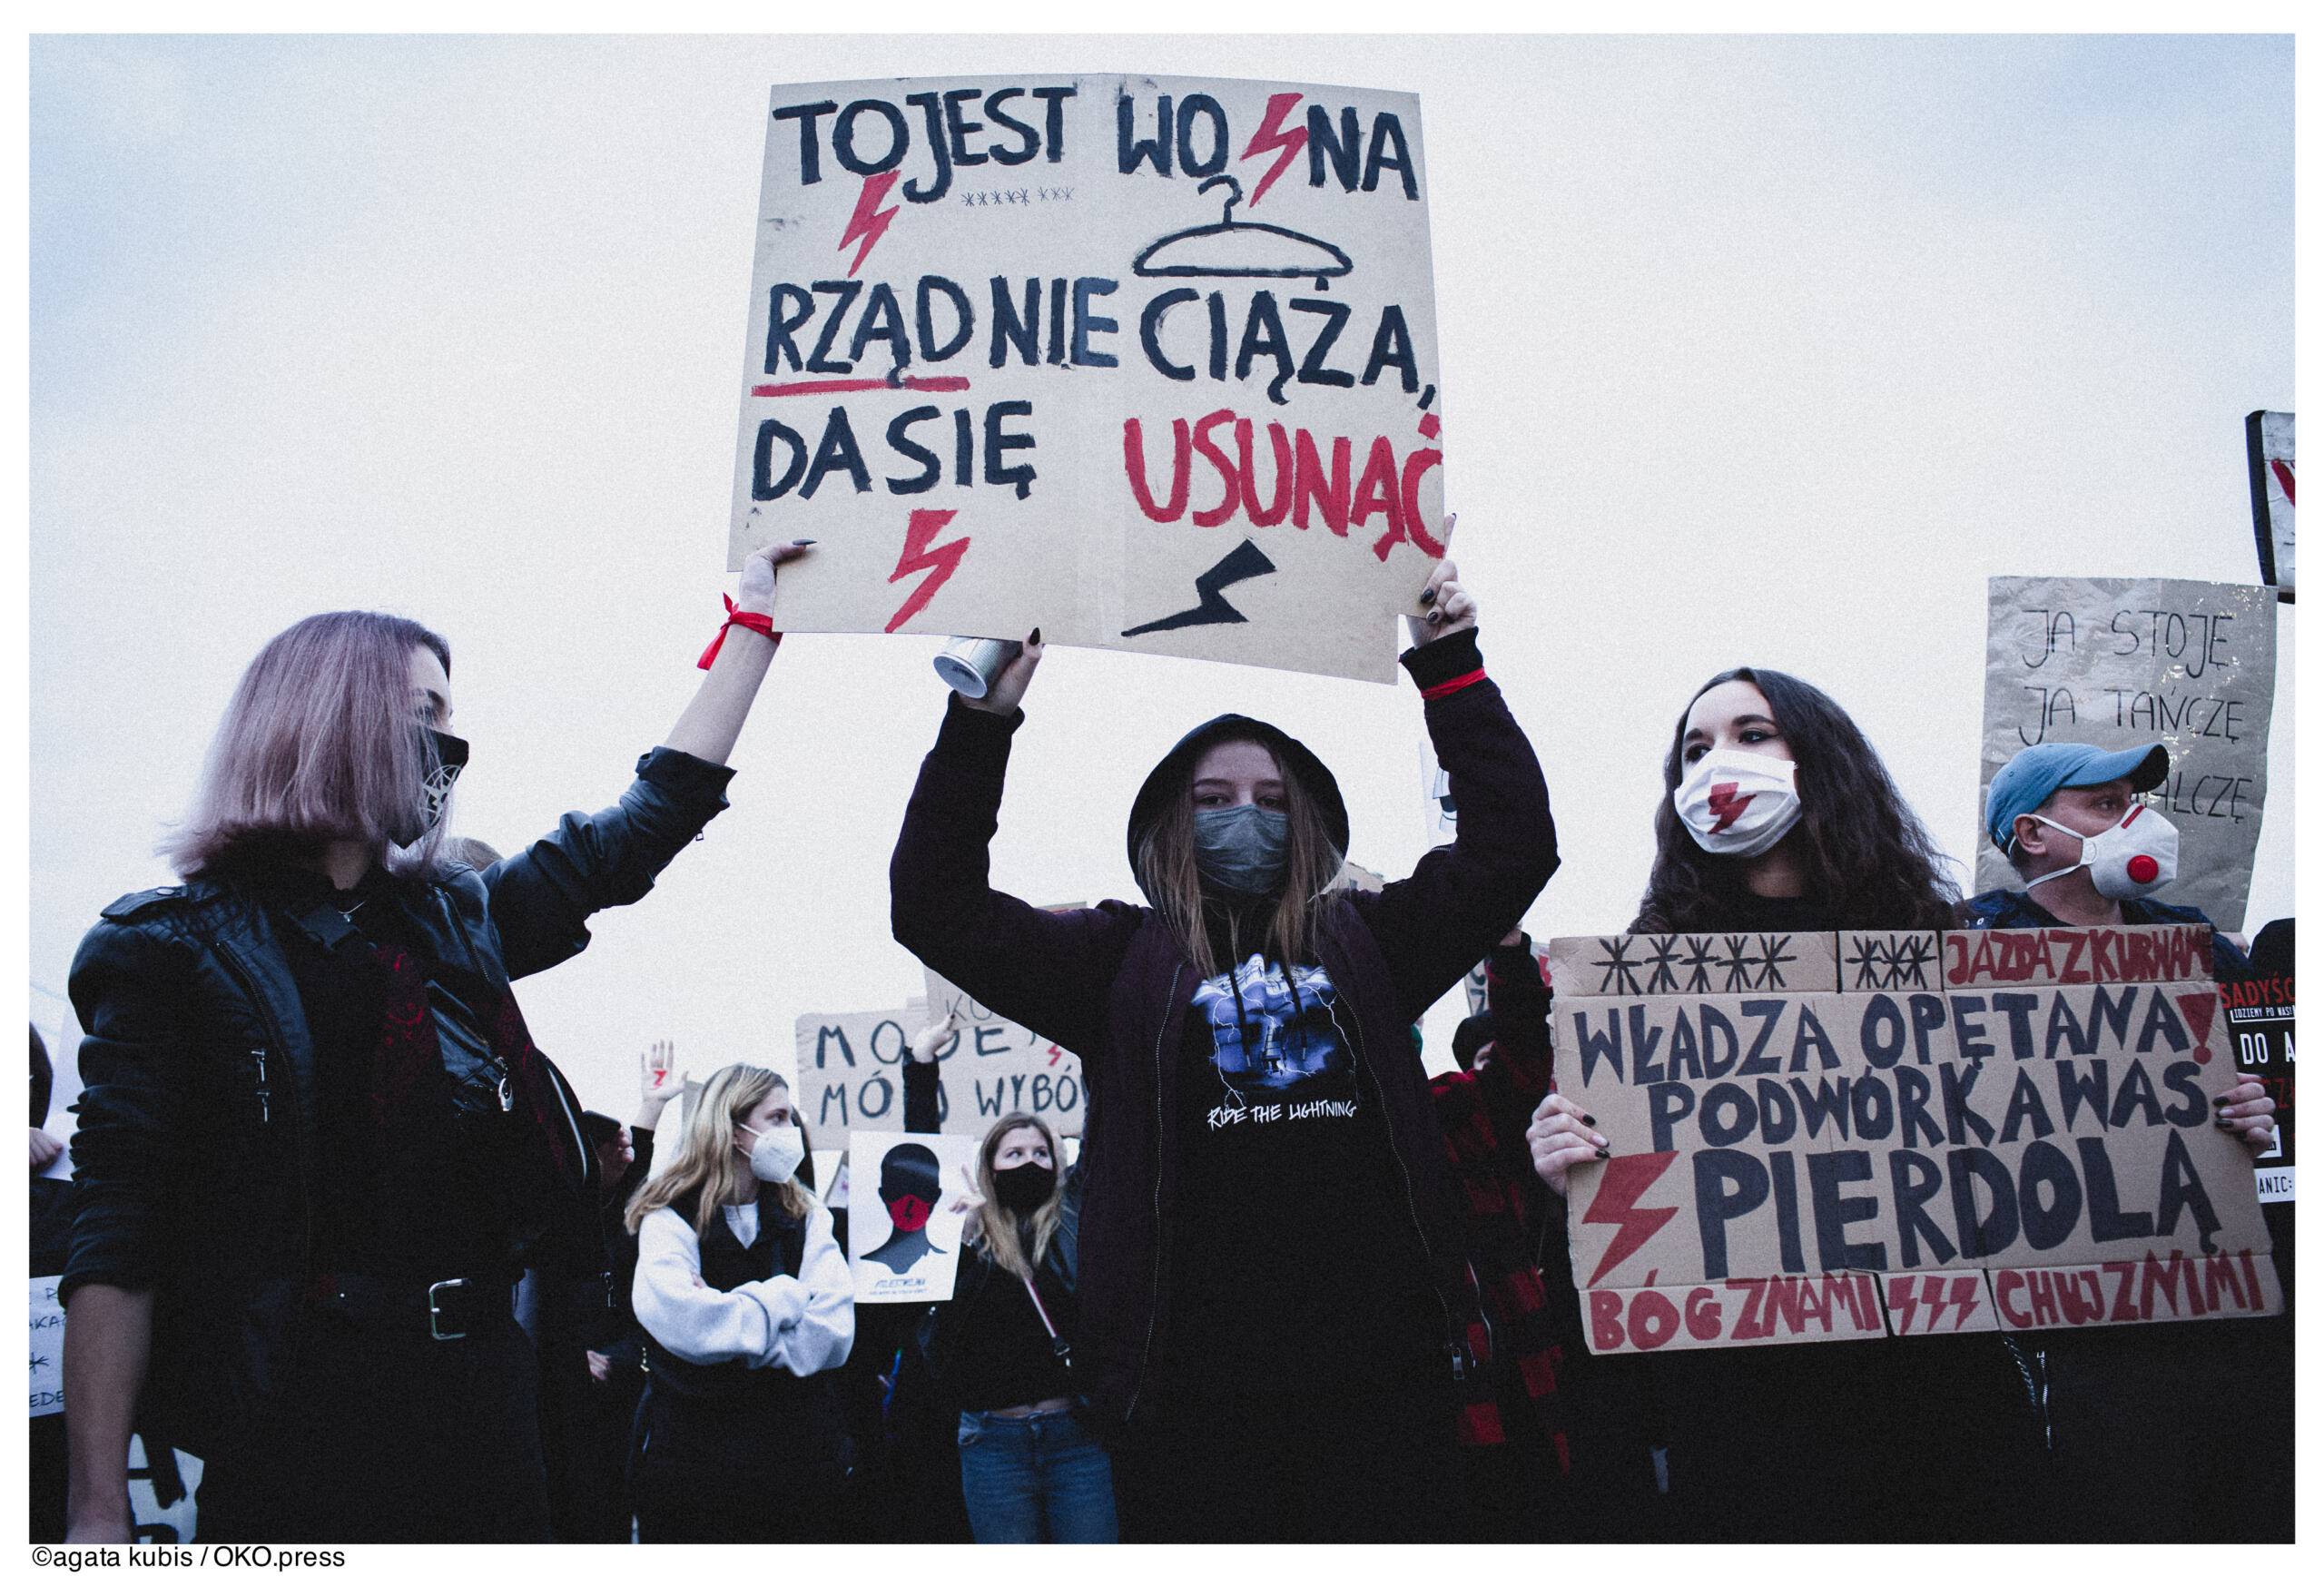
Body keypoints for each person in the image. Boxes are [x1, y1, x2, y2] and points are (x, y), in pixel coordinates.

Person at [60, 539, 811, 1544]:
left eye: (452, 720)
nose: (450, 748)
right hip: (297, 1409)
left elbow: (635, 831)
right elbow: (118, 1243)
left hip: (484, 1397)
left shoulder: (453, 921)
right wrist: (95, 1502)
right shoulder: (170, 952)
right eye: (424, 720)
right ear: (328, 721)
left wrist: (753, 633)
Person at [891, 547, 1558, 1542]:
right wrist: (979, 723)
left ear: (1311, 830)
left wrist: (1449, 663)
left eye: (1271, 800)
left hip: (1381, 1394)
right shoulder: (1115, 961)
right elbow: (935, 908)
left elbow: (1512, 849)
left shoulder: (1376, 944)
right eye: (1211, 801)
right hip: (1187, 1409)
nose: (1243, 816)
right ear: (1170, 829)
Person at [1527, 666, 2043, 1542]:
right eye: (1695, 749)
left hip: (1929, 1393)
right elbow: (1623, 1223)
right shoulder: (1640, 980)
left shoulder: (1937, 946)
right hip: (1744, 1410)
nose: (1718, 762)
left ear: (1820, 757)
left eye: (1751, 734)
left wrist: (2203, 1130)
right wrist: (1563, 1160)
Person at [1958, 739, 2283, 1541]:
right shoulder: (1962, 953)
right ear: (2031, 834)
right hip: (2066, 1330)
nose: (2139, 821)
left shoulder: (2199, 949)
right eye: (2106, 805)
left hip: (2208, 1301)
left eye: (2134, 801)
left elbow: (2264, 1097)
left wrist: (2259, 1114)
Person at [625, 1063, 852, 1543]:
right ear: (732, 1127)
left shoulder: (806, 1215)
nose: (791, 1132)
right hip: (694, 1468)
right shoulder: (668, 1215)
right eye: (778, 1118)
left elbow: (833, 1335)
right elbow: (686, 1325)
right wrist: (784, 1298)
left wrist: (731, 1333)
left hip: (798, 1463)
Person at [905, 1042, 1114, 1543]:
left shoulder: (1071, 1220)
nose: (1029, 1161)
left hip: (1076, 1441)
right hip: (992, 1444)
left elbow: (1104, 1126)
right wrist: (920, 1066)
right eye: (1015, 1153)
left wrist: (1099, 1043)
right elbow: (918, 1157)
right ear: (990, 1166)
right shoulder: (964, 1232)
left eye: (1041, 1153)